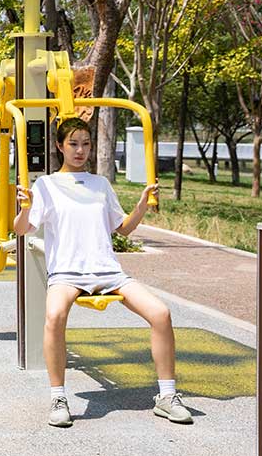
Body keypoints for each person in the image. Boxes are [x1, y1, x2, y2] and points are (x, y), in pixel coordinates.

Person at [13, 117, 192, 428]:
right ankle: (58, 398)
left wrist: (141, 205)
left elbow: (123, 229)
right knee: (54, 317)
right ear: (59, 146)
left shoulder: (101, 185)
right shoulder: (45, 185)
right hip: (67, 273)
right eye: (73, 144)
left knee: (161, 313)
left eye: (85, 143)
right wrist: (26, 207)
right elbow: (21, 229)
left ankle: (166, 396)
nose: (80, 150)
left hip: (107, 272)